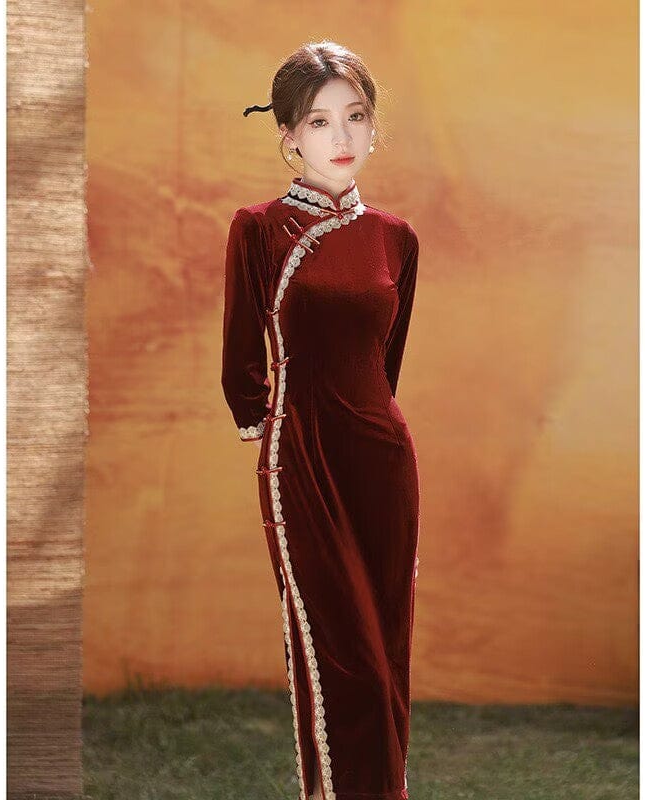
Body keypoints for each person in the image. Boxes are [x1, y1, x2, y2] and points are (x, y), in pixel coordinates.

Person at [221, 40, 420, 800]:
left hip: (383, 461)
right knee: (341, 659)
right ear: (290, 136)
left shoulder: (397, 238)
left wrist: (370, 427)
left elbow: (384, 363)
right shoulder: (257, 228)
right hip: (302, 455)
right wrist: (260, 422)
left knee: (387, 658)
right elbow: (243, 358)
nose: (342, 137)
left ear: (373, 126)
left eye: (356, 117)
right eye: (319, 121)